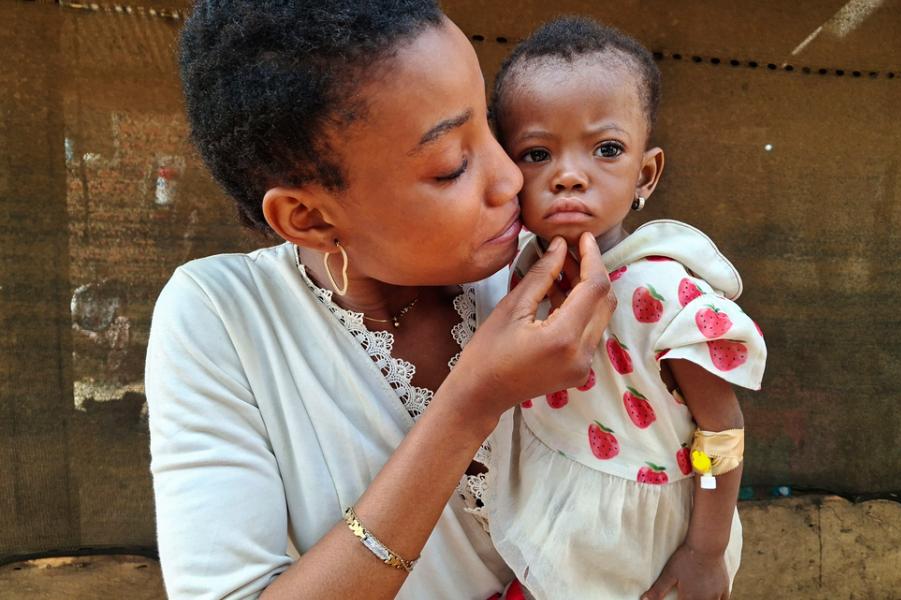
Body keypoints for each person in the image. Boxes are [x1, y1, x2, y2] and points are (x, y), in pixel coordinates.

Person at [145, 2, 616, 599]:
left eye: (493, 129)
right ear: (309, 217)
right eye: (451, 167)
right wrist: (473, 403)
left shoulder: (551, 269)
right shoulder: (223, 318)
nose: (511, 179)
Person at [484, 17, 768, 599]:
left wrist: (705, 552)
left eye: (606, 149)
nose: (568, 175)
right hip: (551, 507)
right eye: (537, 153)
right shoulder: (515, 269)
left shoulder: (662, 296)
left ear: (646, 173)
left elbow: (723, 432)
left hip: (646, 545)